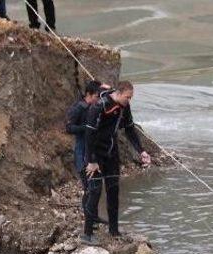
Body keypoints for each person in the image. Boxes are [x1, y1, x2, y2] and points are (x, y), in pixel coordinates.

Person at [83, 81, 152, 244]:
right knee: (95, 192)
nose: (129, 100)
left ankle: (114, 230)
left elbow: (129, 129)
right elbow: (88, 135)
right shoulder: (99, 106)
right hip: (95, 154)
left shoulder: (124, 107)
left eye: (131, 98)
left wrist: (141, 151)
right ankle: (87, 234)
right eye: (128, 97)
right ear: (119, 93)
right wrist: (91, 161)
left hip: (112, 154)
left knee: (113, 191)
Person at [65, 80, 103, 218]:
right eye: (96, 97)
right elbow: (69, 128)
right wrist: (86, 128)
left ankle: (94, 217)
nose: (98, 100)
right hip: (82, 153)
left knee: (96, 187)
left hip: (93, 153)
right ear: (88, 94)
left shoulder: (96, 107)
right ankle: (89, 220)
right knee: (89, 188)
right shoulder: (79, 108)